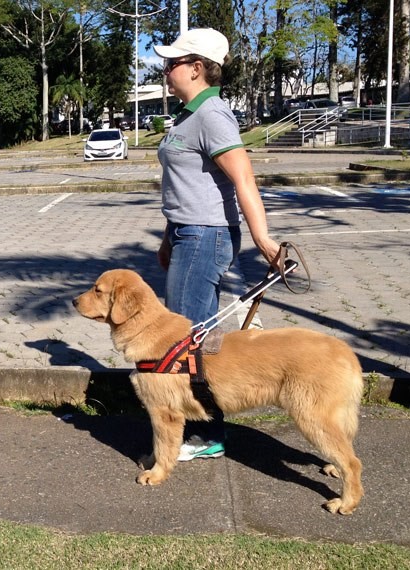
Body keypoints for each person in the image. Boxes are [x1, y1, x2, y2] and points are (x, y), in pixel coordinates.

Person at [153, 28, 282, 461]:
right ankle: (204, 428)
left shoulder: (212, 114)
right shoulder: (189, 115)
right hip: (189, 234)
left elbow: (243, 178)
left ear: (196, 68)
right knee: (196, 336)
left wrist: (263, 238)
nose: (166, 70)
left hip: (205, 236)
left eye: (172, 63)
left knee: (186, 339)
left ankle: (202, 433)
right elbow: (187, 184)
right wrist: (170, 236)